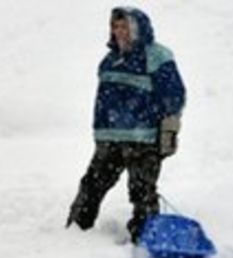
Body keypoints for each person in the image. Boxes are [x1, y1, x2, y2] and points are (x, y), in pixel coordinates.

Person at [67, 7, 186, 243]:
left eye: (125, 26)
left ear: (138, 28)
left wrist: (167, 129)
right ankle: (75, 233)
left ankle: (145, 238)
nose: (119, 32)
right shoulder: (109, 61)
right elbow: (102, 101)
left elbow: (174, 96)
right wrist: (100, 132)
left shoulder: (157, 56)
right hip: (110, 136)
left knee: (142, 192)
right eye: (115, 26)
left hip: (144, 138)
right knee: (92, 185)